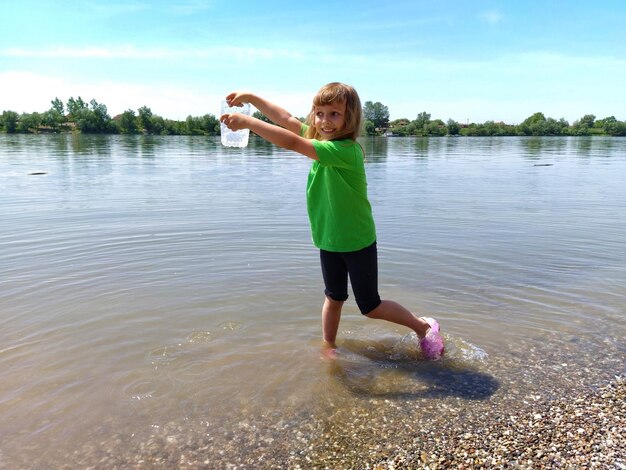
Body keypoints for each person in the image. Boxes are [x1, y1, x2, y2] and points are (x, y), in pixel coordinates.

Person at [220, 82, 444, 360]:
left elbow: (292, 142)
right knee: (333, 297)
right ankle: (329, 346)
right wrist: (252, 97)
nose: (325, 121)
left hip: (357, 240)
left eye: (335, 114)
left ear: (350, 118)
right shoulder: (322, 141)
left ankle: (423, 326)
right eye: (320, 113)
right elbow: (286, 119)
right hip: (328, 239)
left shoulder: (345, 151)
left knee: (370, 306)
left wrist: (249, 122)